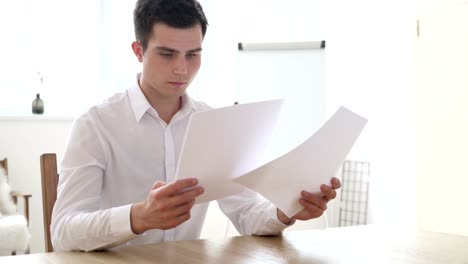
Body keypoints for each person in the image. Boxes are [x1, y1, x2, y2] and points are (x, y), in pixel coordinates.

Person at [51, 0, 342, 252]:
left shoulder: (213, 124)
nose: (182, 69)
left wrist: (286, 209)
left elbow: (247, 213)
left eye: (193, 54)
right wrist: (139, 216)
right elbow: (63, 232)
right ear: (138, 51)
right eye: (167, 54)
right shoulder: (96, 124)